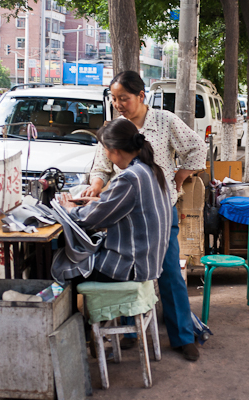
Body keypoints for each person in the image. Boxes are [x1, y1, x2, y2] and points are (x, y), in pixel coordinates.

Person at [81, 71, 207, 361]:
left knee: (170, 274)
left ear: (141, 96)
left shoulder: (164, 120)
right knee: (124, 269)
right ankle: (128, 331)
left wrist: (179, 178)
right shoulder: (116, 126)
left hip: (161, 212)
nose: (118, 104)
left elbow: (197, 148)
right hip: (124, 213)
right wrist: (96, 186)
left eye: (123, 98)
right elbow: (101, 164)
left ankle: (183, 337)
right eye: (114, 99)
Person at [55, 118, 172, 284]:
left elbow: (90, 219)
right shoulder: (151, 169)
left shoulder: (130, 178)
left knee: (62, 266)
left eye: (104, 149)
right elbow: (127, 205)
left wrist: (69, 208)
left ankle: (71, 309)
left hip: (129, 267)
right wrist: (98, 200)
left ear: (114, 151)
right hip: (147, 262)